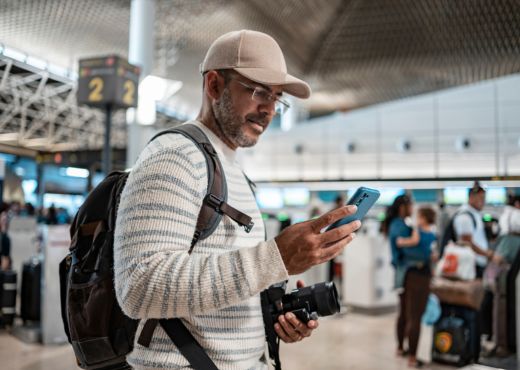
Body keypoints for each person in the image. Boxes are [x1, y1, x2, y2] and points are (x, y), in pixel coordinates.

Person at [114, 30, 361, 370]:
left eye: (277, 98)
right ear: (214, 85)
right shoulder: (174, 157)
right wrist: (275, 257)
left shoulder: (233, 171)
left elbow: (230, 282)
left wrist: (275, 314)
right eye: (259, 92)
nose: (270, 109)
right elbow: (139, 287)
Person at [383, 196, 434, 368]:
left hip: (404, 275)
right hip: (416, 275)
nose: (413, 208)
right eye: (411, 205)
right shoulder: (402, 226)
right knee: (415, 316)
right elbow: (418, 251)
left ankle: (400, 348)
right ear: (403, 207)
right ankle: (412, 356)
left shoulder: (399, 225)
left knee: (404, 313)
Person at [453, 182, 493, 278]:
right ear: (471, 197)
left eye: (484, 198)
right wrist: (488, 254)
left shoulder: (474, 214)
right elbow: (467, 243)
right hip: (471, 265)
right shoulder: (465, 216)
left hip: (477, 263)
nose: (483, 202)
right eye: (481, 198)